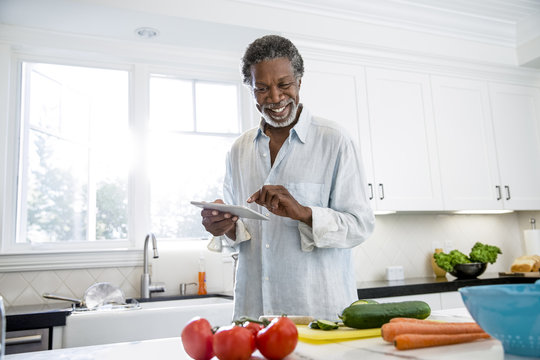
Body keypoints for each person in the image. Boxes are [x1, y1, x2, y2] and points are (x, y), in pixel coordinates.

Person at [200, 35, 375, 321]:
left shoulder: (334, 141)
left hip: (318, 316)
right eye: (262, 89)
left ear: (299, 82)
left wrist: (304, 213)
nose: (275, 98)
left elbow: (360, 225)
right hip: (254, 316)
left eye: (284, 85)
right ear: (251, 90)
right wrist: (224, 227)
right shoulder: (238, 150)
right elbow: (241, 236)